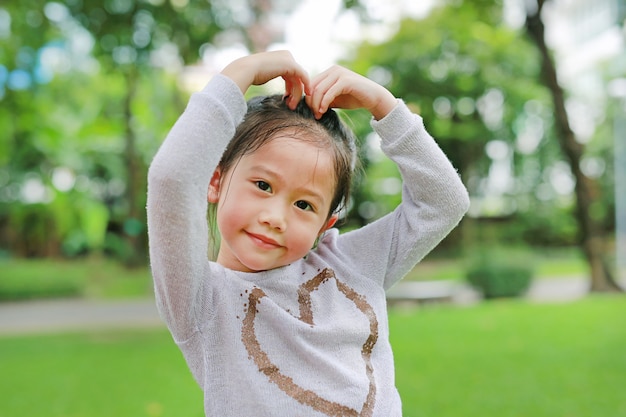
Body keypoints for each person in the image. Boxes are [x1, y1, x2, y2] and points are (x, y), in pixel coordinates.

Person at [147, 50, 469, 416]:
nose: (275, 217)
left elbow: (443, 203)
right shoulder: (200, 300)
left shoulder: (351, 264)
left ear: (326, 224)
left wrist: (384, 106)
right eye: (263, 185)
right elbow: (171, 180)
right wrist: (238, 74)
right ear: (215, 180)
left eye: (304, 205)